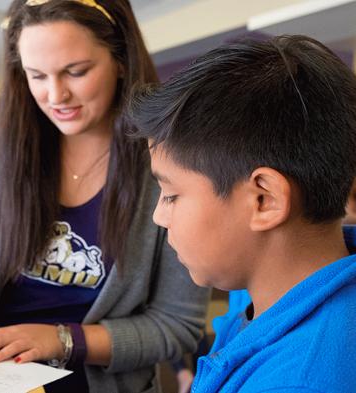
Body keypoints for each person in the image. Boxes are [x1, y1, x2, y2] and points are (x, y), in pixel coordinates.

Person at [0, 1, 209, 392]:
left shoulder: (169, 158)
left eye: (76, 72)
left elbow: (176, 325)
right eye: (36, 75)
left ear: (121, 60)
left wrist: (62, 339)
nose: (56, 95)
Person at [130, 35, 356, 392]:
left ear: (264, 201)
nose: (159, 216)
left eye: (171, 194)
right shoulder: (264, 285)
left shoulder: (299, 379)